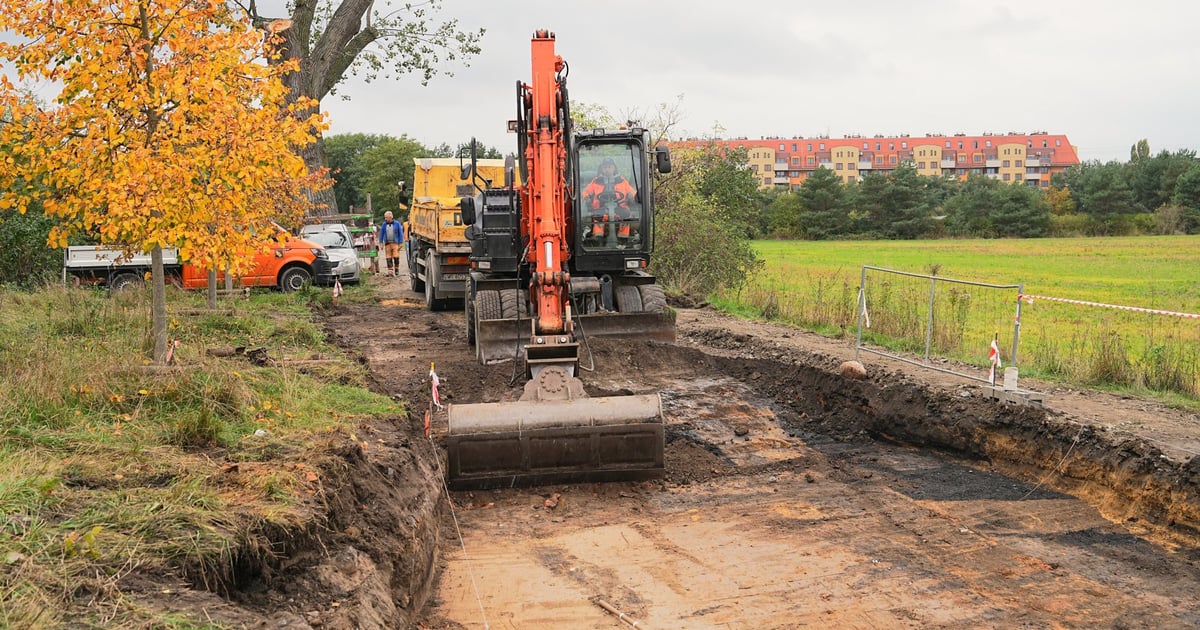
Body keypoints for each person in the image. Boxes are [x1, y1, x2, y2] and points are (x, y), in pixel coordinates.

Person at [582, 158, 637, 241]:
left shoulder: (622, 181)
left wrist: (630, 195)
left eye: (609, 167)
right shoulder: (596, 181)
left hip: (619, 207)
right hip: (600, 208)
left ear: (614, 168)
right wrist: (587, 197)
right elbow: (585, 192)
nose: (607, 169)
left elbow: (632, 192)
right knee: (597, 216)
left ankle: (623, 239)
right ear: (601, 169)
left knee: (626, 214)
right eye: (605, 167)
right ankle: (598, 238)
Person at [377, 211, 405, 277]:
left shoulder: (397, 223)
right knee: (388, 257)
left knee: (396, 256)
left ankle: (397, 269)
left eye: (386, 217)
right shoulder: (384, 224)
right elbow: (381, 234)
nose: (385, 219)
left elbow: (400, 233)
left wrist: (401, 242)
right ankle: (390, 271)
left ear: (390, 217)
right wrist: (381, 243)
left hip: (395, 243)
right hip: (387, 243)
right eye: (385, 217)